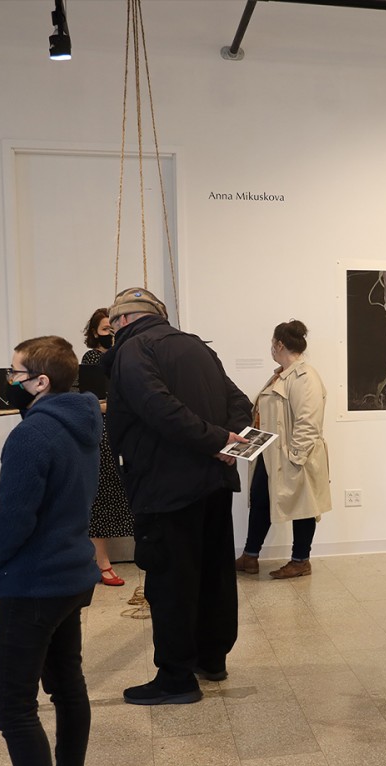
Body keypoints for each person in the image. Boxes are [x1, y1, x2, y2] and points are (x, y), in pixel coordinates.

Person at [0, 335, 101, 766]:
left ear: (40, 382)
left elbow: (13, 518)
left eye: (15, 373)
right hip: (71, 574)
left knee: (12, 703)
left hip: (34, 583)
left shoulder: (31, 435)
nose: (9, 382)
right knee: (67, 687)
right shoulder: (84, 420)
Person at [103, 287, 254, 705]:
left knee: (170, 583)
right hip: (212, 484)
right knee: (212, 576)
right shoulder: (197, 349)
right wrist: (229, 442)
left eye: (112, 325)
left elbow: (159, 408)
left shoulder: (134, 351)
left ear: (122, 322)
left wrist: (216, 441)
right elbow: (239, 401)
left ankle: (175, 680)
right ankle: (212, 659)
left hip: (166, 487)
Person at [234, 320, 332, 579]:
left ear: (279, 344)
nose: (271, 349)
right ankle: (250, 556)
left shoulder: (304, 377)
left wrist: (295, 458)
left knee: (304, 506)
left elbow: (308, 422)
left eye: (272, 344)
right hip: (270, 454)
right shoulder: (281, 374)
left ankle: (301, 560)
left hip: (295, 456)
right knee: (260, 500)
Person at [80, 308, 135, 588]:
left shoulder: (125, 357)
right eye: (104, 330)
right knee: (101, 498)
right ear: (94, 333)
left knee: (118, 494)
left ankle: (102, 561)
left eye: (112, 329)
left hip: (120, 433)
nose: (110, 334)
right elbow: (92, 401)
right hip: (102, 436)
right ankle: (101, 562)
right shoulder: (93, 359)